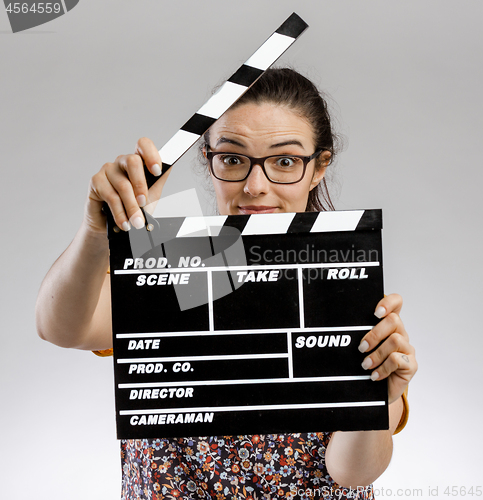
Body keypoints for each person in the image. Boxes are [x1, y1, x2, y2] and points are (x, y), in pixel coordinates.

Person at [36, 68, 417, 500]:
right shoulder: (175, 262)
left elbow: (351, 474)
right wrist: (97, 233)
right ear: (209, 160)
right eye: (234, 159)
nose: (256, 186)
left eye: (285, 161)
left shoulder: (347, 287)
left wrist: (383, 400)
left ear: (319, 168)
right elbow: (61, 327)